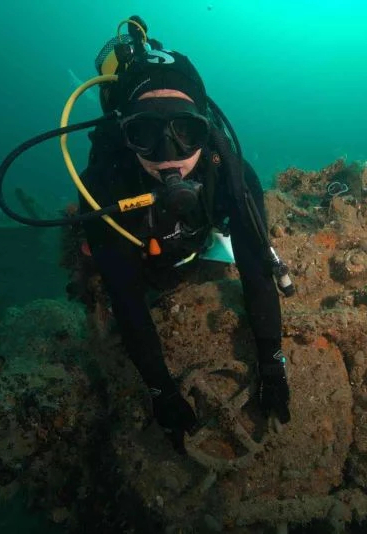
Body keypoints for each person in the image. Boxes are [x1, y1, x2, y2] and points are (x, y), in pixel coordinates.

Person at [77, 23, 291, 453]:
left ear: (205, 127)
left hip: (194, 244)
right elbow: (126, 296)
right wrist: (161, 390)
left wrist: (272, 362)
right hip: (138, 253)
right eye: (145, 134)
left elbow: (256, 272)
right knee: (91, 268)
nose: (168, 154)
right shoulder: (104, 184)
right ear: (125, 134)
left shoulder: (231, 174)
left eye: (185, 133)